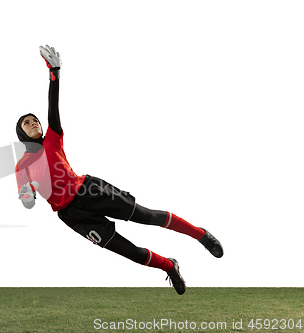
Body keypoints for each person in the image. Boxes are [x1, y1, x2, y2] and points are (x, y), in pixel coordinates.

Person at [14, 45, 223, 295]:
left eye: (34, 119)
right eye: (27, 122)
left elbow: (52, 106)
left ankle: (201, 235)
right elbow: (28, 203)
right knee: (130, 252)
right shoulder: (21, 167)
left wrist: (54, 72)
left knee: (147, 216)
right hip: (73, 216)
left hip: (89, 190)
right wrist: (27, 195)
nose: (33, 122)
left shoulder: (52, 139)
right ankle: (170, 267)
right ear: (21, 133)